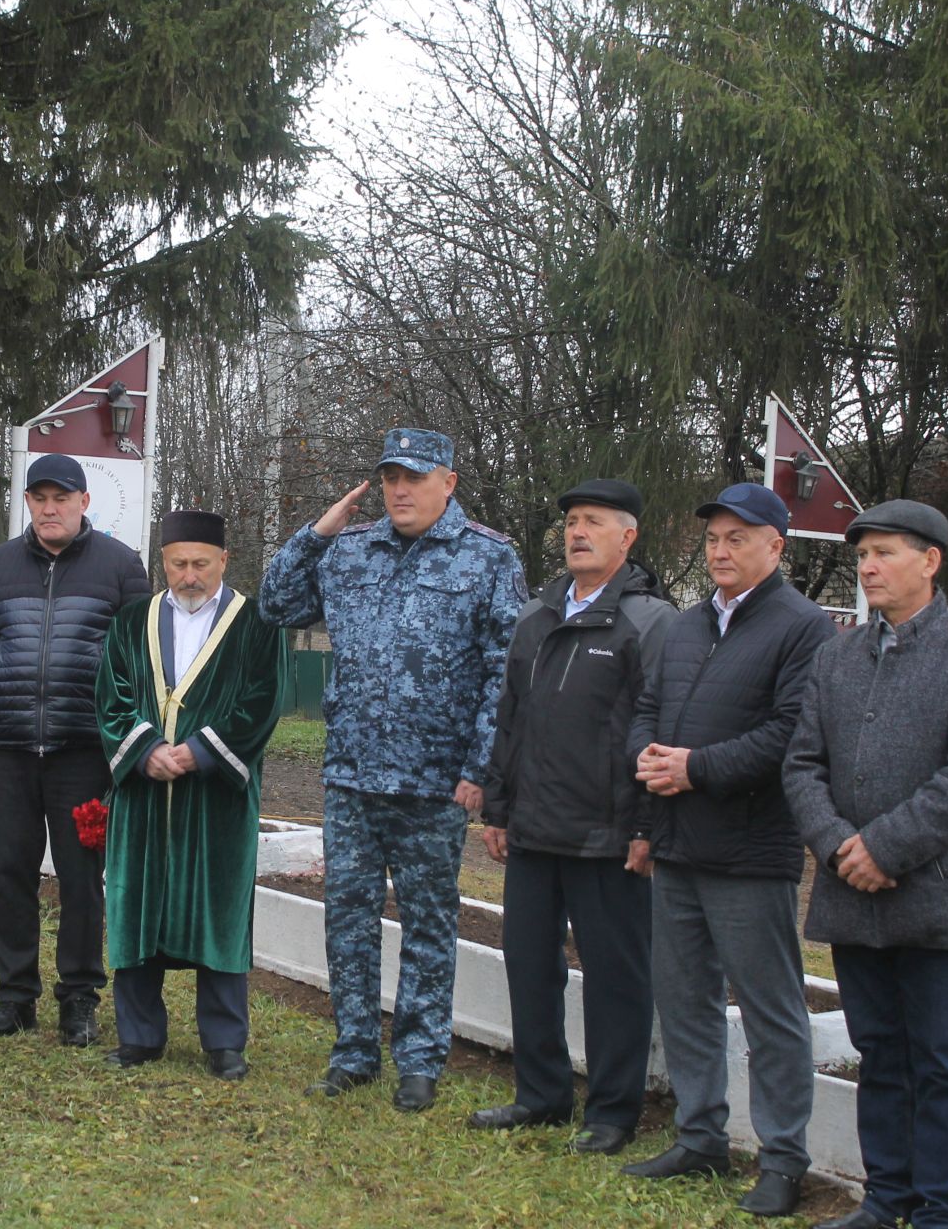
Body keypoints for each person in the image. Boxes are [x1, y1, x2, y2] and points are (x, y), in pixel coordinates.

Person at [259, 428, 526, 1112]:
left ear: (449, 482)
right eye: (389, 478)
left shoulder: (489, 559)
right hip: (352, 775)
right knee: (346, 920)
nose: (399, 490)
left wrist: (481, 768)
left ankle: (419, 1059)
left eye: (414, 476)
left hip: (436, 784)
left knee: (430, 924)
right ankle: (353, 1051)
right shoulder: (350, 552)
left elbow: (505, 671)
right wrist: (317, 533)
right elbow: (276, 604)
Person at [785, 500, 948, 1229]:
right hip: (853, 895)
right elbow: (801, 765)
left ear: (930, 561)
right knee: (879, 1056)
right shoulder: (836, 654)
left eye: (884, 553)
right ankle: (886, 1198)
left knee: (943, 1061)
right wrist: (835, 845)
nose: (868, 567)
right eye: (862, 555)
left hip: (938, 900)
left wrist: (884, 848)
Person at [624, 482, 836, 1216]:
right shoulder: (685, 627)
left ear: (776, 547)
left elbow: (793, 735)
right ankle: (699, 1136)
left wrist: (695, 768)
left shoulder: (804, 628)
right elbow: (647, 708)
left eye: (737, 538)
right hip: (678, 845)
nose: (720, 550)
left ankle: (783, 1159)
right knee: (684, 1002)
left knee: (772, 1010)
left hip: (750, 851)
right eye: (713, 538)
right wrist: (647, 761)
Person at [472, 479, 672, 1154]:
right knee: (528, 963)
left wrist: (646, 826)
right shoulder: (537, 616)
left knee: (616, 977)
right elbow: (511, 720)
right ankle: (542, 1096)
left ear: (628, 535)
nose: (578, 532)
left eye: (594, 521)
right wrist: (499, 807)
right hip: (532, 830)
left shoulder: (648, 622)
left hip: (608, 836)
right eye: (572, 521)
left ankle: (613, 1112)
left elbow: (658, 730)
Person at [0, 453, 150, 1046]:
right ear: (29, 504)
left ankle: (79, 999)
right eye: (39, 498)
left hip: (84, 750)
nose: (49, 508)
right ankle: (15, 997)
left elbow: (141, 664)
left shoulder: (120, 566)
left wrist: (128, 744)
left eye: (61, 497)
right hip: (8, 748)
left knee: (81, 877)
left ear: (84, 503)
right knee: (11, 872)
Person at [95, 510, 286, 1079]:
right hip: (145, 792)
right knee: (136, 903)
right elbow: (112, 694)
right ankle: (139, 1035)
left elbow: (261, 700)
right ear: (164, 563)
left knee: (220, 910)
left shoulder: (255, 623)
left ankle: (224, 1043)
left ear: (223, 561)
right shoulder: (133, 620)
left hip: (217, 798)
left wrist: (200, 752)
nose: (189, 575)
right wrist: (146, 748)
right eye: (178, 564)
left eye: (201, 563)